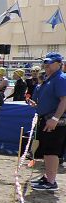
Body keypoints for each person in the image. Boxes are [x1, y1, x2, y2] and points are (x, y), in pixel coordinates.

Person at [29, 52, 66, 192]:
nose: (47, 65)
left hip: (55, 120)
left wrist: (55, 119)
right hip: (46, 118)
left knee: (52, 151)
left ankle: (51, 182)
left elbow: (64, 100)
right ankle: (48, 177)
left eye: (50, 63)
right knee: (46, 151)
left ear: (58, 64)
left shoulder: (61, 78)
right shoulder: (48, 78)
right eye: (45, 63)